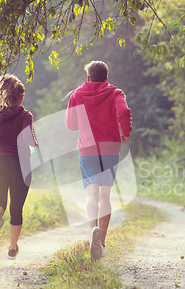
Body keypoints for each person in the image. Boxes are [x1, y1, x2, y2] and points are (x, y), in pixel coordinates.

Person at [65, 61, 132, 260]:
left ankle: (93, 229)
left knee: (91, 195)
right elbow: (125, 111)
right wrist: (125, 132)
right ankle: (101, 242)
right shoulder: (115, 93)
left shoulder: (77, 94)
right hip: (110, 149)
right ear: (106, 77)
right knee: (105, 196)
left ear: (88, 78)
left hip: (87, 150)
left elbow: (70, 125)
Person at [0, 74, 37, 260]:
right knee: (16, 208)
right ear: (21, 96)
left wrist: (2, 140)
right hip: (20, 164)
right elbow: (27, 139)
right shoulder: (25, 115)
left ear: (4, 95)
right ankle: (12, 248)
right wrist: (34, 142)